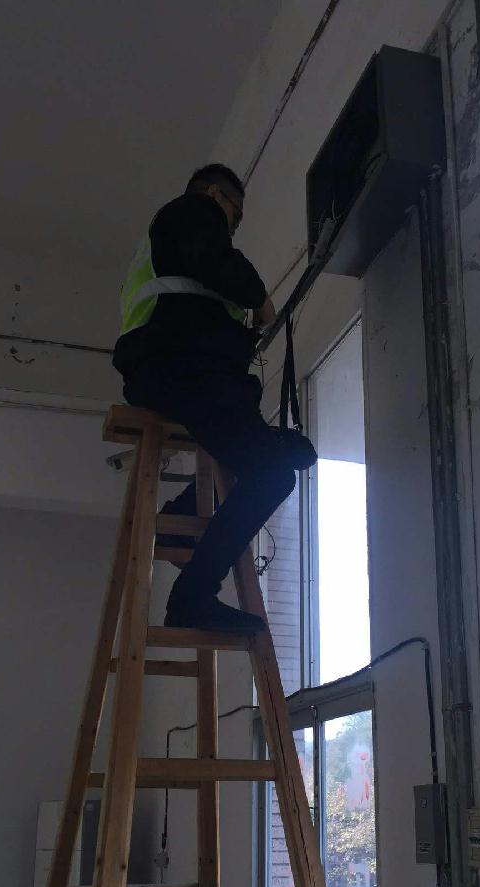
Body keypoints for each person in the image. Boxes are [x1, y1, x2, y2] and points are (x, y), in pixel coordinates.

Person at [112, 163, 308, 632]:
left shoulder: (171, 242)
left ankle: (182, 517)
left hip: (178, 373)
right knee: (273, 473)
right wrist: (260, 299)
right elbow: (221, 263)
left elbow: (200, 291)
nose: (231, 227)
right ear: (217, 196)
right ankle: (192, 597)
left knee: (282, 457)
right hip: (179, 370)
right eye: (235, 215)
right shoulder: (191, 210)